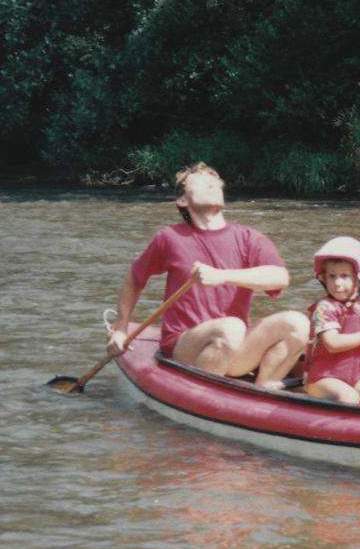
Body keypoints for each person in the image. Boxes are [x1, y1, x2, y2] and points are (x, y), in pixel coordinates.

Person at [106, 162, 309, 389]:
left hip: (234, 345)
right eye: (202, 181)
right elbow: (134, 279)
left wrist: (222, 276)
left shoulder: (250, 237)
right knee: (230, 327)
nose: (212, 184)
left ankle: (263, 391)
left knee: (297, 323)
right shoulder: (169, 237)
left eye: (216, 182)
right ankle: (204, 393)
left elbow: (280, 277)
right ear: (182, 200)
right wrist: (121, 329)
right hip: (185, 346)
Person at [304, 236, 360, 404]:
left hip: (358, 375)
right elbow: (333, 344)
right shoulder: (325, 308)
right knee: (349, 397)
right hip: (323, 378)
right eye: (332, 276)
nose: (337, 283)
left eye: (344, 276)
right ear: (324, 278)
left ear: (358, 278)